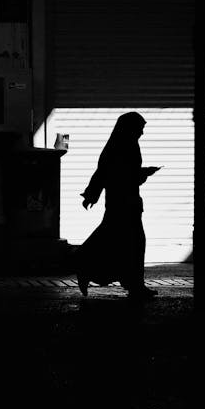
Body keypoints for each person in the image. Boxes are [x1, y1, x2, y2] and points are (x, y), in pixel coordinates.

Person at [75, 111, 162, 299]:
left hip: (122, 202)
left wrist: (92, 194)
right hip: (124, 203)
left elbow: (106, 172)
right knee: (131, 242)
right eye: (140, 128)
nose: (142, 133)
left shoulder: (120, 144)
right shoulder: (124, 146)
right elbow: (118, 174)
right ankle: (84, 263)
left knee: (119, 240)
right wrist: (143, 173)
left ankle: (131, 283)